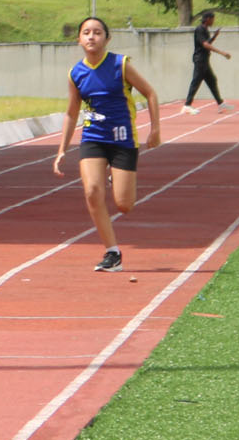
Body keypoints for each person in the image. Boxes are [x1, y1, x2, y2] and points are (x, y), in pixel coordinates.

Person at [53, 15, 162, 273]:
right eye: (86, 32)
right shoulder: (75, 73)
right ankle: (112, 253)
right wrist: (61, 150)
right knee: (92, 190)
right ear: (79, 39)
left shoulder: (120, 64)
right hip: (93, 137)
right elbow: (71, 113)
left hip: (123, 138)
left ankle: (118, 176)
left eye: (97, 32)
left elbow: (150, 93)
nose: (91, 36)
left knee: (124, 205)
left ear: (107, 38)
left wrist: (155, 129)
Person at [184, 10, 234, 114]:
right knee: (196, 81)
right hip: (200, 59)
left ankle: (220, 104)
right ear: (207, 19)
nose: (213, 21)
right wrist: (222, 53)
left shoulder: (205, 30)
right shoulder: (200, 29)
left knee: (212, 80)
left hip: (205, 60)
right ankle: (187, 105)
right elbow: (205, 45)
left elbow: (207, 42)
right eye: (212, 19)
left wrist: (214, 37)